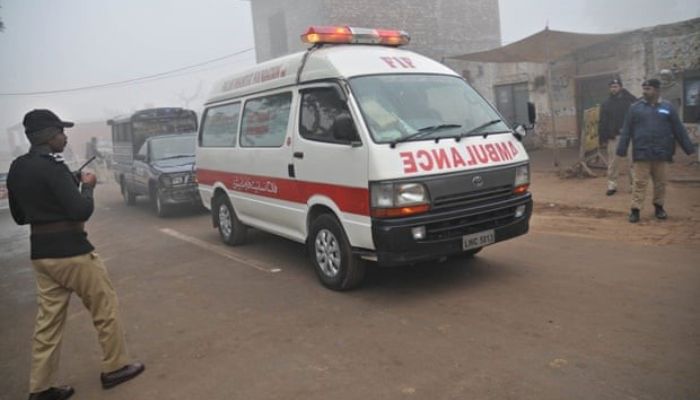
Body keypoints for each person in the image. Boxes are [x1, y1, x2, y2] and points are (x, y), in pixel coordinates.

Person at [7, 110, 145, 400]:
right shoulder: (53, 168)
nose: (64, 136)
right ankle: (115, 367)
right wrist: (87, 186)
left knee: (48, 324)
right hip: (73, 253)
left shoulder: (18, 168)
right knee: (104, 308)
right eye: (60, 131)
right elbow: (81, 210)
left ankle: (41, 388)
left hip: (41, 257)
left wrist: (61, 189)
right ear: (47, 136)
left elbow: (20, 216)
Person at [617, 79, 696, 223]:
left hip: (661, 152)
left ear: (657, 90)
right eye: (644, 89)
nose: (645, 92)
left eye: (648, 89)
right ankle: (635, 210)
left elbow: (678, 129)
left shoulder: (668, 107)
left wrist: (689, 149)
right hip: (642, 152)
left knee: (660, 183)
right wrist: (621, 149)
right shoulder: (635, 108)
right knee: (639, 183)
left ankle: (659, 207)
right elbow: (627, 130)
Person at [598, 78, 637, 196]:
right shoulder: (606, 103)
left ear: (621, 87)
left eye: (616, 86)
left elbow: (637, 117)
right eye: (612, 87)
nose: (613, 89)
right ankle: (612, 185)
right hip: (614, 137)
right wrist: (603, 137)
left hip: (629, 136)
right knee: (613, 162)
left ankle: (634, 185)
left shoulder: (630, 101)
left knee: (632, 161)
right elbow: (603, 122)